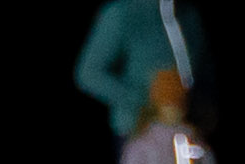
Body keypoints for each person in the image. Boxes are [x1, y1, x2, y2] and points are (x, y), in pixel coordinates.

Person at [75, 0, 208, 142]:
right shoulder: (123, 13)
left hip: (188, 130)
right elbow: (88, 72)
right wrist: (144, 100)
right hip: (139, 132)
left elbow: (202, 70)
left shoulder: (188, 15)